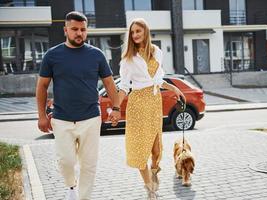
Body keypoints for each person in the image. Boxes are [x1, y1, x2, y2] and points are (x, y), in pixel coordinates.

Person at [36, 11, 120, 200]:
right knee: (66, 161)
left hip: (91, 118)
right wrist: (41, 115)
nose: (79, 33)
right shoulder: (52, 55)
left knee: (89, 164)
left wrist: (116, 108)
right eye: (74, 29)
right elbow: (42, 86)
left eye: (83, 29)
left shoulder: (97, 55)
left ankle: (83, 197)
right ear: (65, 30)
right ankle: (71, 186)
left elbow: (109, 83)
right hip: (62, 119)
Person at [115, 18, 186, 200]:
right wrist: (116, 107)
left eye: (138, 31)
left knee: (155, 150)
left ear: (146, 31)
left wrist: (174, 88)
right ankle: (150, 191)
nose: (135, 35)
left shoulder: (157, 52)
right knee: (140, 150)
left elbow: (157, 80)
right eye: (132, 32)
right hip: (138, 103)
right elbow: (123, 86)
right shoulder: (128, 59)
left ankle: (154, 175)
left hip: (155, 102)